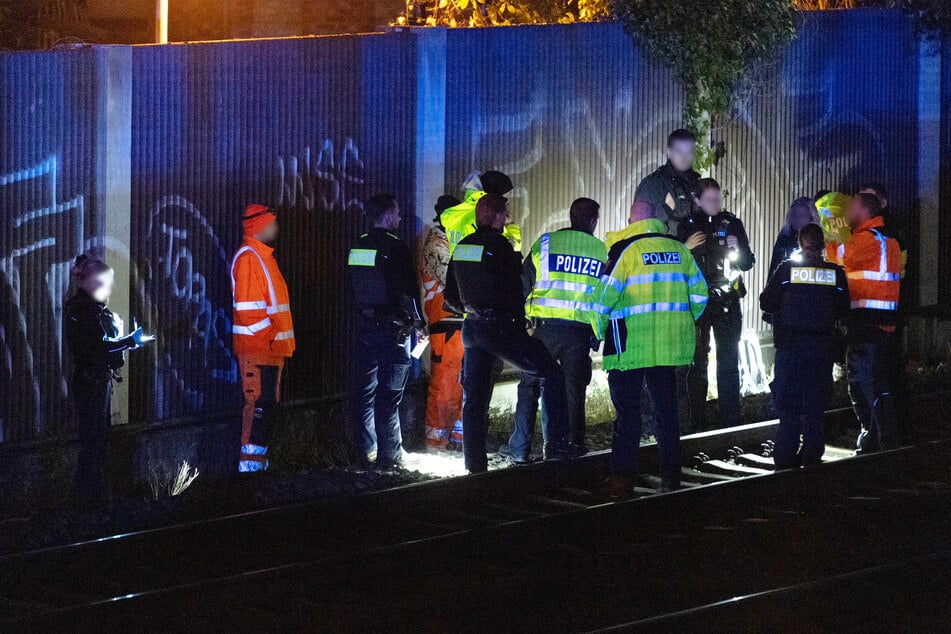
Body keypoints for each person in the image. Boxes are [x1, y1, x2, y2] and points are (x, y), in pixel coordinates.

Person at [444, 194, 574, 473]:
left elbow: (450, 297)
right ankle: (557, 446)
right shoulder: (501, 246)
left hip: (472, 329)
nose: (508, 218)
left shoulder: (463, 246)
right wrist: (518, 328)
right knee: (551, 373)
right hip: (500, 329)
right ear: (494, 216)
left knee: (475, 400)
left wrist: (470, 308)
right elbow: (514, 291)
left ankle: (474, 467)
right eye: (505, 213)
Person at [595, 200, 708, 494]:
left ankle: (622, 479)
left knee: (628, 416)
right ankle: (671, 476)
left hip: (629, 348)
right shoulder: (680, 250)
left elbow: (604, 297)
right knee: (667, 413)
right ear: (656, 219)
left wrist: (598, 330)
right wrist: (681, 322)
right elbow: (700, 295)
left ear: (630, 221)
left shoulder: (625, 250)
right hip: (669, 348)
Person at [504, 197, 607, 463]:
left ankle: (520, 448)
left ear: (571, 216)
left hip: (544, 330)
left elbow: (524, 284)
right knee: (574, 389)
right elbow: (604, 295)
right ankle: (570, 445)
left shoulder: (545, 243)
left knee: (530, 386)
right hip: (579, 332)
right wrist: (598, 332)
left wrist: (523, 322)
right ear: (593, 221)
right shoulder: (599, 250)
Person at [65, 253, 154, 506]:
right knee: (93, 443)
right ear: (91, 282)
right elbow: (97, 347)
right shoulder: (83, 310)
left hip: (98, 380)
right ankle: (87, 500)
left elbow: (103, 345)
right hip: (91, 382)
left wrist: (126, 341)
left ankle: (92, 499)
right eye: (106, 283)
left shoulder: (93, 309)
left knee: (98, 442)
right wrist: (128, 341)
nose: (110, 289)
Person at [760, 224, 850, 468]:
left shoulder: (787, 270)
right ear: (823, 246)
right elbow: (843, 308)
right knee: (815, 404)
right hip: (822, 347)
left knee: (788, 405)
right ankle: (812, 454)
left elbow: (766, 302)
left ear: (800, 244)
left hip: (791, 347)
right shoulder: (835, 274)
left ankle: (784, 456)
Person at [348, 194, 426, 468]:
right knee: (389, 396)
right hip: (393, 331)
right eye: (398, 213)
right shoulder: (396, 247)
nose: (400, 217)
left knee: (364, 393)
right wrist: (419, 323)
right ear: (389, 215)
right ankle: (390, 456)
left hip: (364, 328)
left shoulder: (358, 245)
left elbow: (351, 287)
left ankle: (365, 451)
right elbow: (408, 292)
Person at [827, 193, 902, 453]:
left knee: (861, 384)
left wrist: (830, 226)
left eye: (852, 207)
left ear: (865, 212)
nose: (848, 212)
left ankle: (875, 440)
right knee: (877, 384)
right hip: (882, 323)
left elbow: (834, 256)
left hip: (865, 323)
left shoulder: (865, 241)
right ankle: (885, 438)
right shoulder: (888, 240)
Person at [678, 178, 754, 431]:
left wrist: (738, 248)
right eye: (709, 199)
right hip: (698, 304)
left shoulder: (731, 224)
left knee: (728, 359)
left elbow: (747, 263)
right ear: (697, 200)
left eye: (717, 199)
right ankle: (697, 421)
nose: (715, 204)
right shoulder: (688, 225)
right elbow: (676, 263)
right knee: (697, 362)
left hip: (727, 302)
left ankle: (731, 419)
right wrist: (685, 248)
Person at [230, 204, 296, 473]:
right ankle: (250, 468)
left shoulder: (261, 256)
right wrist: (271, 338)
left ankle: (256, 465)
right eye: (272, 223)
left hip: (268, 349)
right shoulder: (250, 258)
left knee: (265, 406)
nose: (276, 227)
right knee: (259, 406)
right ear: (260, 227)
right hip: (260, 350)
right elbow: (249, 311)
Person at [418, 194, 464, 450]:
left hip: (456, 324)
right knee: (445, 385)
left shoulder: (450, 242)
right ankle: (436, 441)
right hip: (445, 323)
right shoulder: (437, 244)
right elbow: (456, 280)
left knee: (458, 384)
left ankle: (457, 439)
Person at [633, 129, 701, 237]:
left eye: (689, 152)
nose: (684, 157)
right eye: (679, 151)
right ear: (669, 152)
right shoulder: (652, 185)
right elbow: (638, 228)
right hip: (663, 247)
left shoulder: (698, 185)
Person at [441, 170, 522, 254]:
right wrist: (510, 225)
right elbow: (511, 249)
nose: (507, 202)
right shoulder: (487, 218)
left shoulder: (457, 213)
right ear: (495, 196)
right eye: (505, 198)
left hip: (458, 262)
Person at [767, 197, 820, 280]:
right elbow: (775, 267)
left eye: (802, 216)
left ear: (812, 217)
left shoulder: (821, 239)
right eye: (794, 215)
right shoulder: (784, 238)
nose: (797, 219)